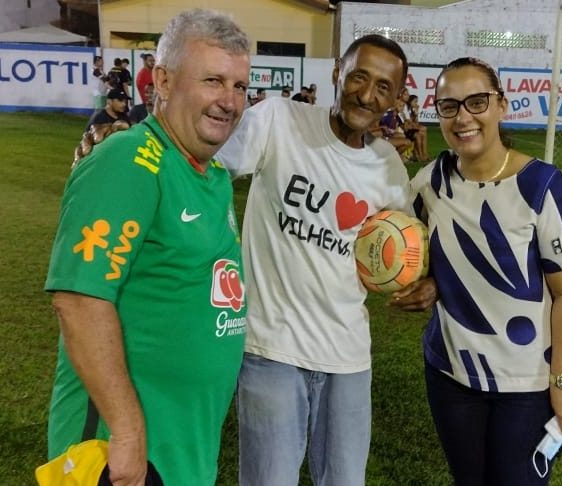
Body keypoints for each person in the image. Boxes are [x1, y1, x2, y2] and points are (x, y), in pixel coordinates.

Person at [44, 8, 251, 486]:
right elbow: (79, 300)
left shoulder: (212, 175)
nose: (229, 101)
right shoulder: (128, 162)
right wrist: (127, 431)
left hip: (182, 446)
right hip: (122, 456)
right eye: (213, 80)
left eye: (239, 86)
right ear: (163, 80)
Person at [214, 34, 411, 485]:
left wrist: (422, 281)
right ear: (338, 72)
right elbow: (207, 158)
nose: (367, 94)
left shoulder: (388, 167)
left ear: (396, 99)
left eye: (383, 87)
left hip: (348, 358)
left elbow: (407, 248)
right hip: (272, 350)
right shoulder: (280, 120)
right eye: (359, 77)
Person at [392, 57, 562, 485]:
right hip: (451, 374)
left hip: (526, 384)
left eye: (477, 102)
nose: (463, 117)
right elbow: (409, 247)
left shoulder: (543, 187)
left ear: (502, 105)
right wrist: (428, 282)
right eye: (449, 106)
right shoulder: (430, 182)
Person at [403, 93, 430, 162]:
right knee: (422, 131)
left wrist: (416, 112)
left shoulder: (411, 109)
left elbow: (416, 122)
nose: (416, 103)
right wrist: (417, 126)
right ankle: (420, 155)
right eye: (415, 101)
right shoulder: (405, 108)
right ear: (410, 101)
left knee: (422, 132)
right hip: (406, 129)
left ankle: (424, 153)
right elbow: (409, 122)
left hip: (411, 127)